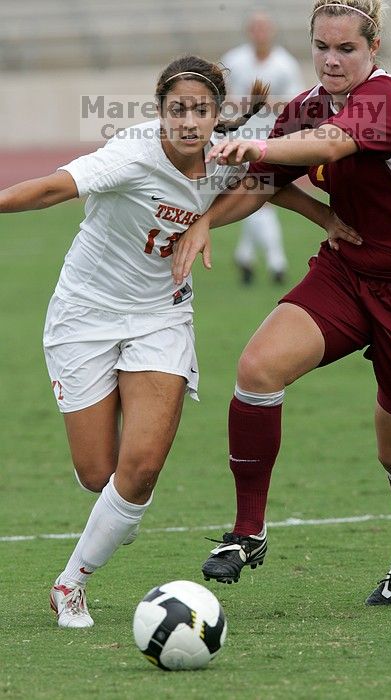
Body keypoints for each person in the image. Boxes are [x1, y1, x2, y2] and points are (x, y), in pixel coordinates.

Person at [0, 55, 358, 628]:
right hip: (84, 315)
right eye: (177, 110)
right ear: (159, 111)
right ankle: (117, 506)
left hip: (160, 315)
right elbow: (50, 189)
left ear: (217, 115)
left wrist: (322, 217)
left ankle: (71, 584)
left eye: (201, 110)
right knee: (101, 475)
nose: (189, 122)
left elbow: (265, 185)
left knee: (139, 472)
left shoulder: (225, 152)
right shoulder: (132, 154)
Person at [172, 0, 391, 605]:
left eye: (347, 49)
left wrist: (254, 148)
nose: (332, 61)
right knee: (257, 368)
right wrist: (208, 221)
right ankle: (247, 532)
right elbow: (265, 184)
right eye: (323, 48)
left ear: (373, 49)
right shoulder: (305, 106)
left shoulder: (387, 98)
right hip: (350, 269)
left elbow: (328, 146)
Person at [221, 10, 305, 284]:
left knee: (259, 193)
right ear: (249, 31)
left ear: (271, 31)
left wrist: (266, 104)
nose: (260, 33)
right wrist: (240, 106)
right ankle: (275, 261)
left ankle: (247, 256)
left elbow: (296, 104)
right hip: (239, 135)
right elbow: (221, 97)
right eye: (255, 28)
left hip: (271, 139)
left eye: (264, 28)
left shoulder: (285, 64)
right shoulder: (234, 60)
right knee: (258, 192)